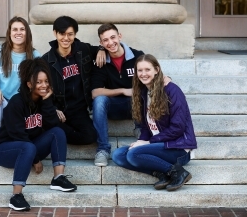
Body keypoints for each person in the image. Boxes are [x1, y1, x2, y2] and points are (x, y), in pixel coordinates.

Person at [0, 58, 77, 211]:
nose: (44, 85)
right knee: (28, 147)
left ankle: (58, 178)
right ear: (29, 84)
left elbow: (52, 125)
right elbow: (17, 134)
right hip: (5, 150)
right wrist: (36, 159)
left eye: (46, 81)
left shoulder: (44, 100)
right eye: (38, 82)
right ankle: (16, 196)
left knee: (58, 132)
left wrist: (47, 102)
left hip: (28, 147)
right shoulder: (17, 103)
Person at [112, 54, 197, 191]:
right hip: (158, 145)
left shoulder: (172, 91)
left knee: (133, 154)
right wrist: (141, 140)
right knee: (118, 155)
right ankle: (163, 173)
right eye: (140, 70)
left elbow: (178, 128)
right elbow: (146, 126)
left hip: (178, 149)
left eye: (147, 70)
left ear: (156, 70)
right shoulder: (145, 91)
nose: (143, 74)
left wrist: (149, 142)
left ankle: (178, 172)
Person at [0, 16, 41, 165]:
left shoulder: (35, 56)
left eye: (22, 29)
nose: (18, 33)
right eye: (15, 29)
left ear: (27, 33)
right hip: (2, 102)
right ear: (9, 32)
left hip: (22, 107)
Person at [41, 16, 106, 146]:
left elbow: (99, 48)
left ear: (75, 34)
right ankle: (57, 129)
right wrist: (53, 108)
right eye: (62, 34)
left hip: (79, 110)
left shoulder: (82, 49)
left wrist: (101, 50)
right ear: (55, 33)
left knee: (90, 136)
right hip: (59, 109)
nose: (66, 38)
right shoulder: (46, 60)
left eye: (70, 34)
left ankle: (58, 131)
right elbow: (41, 89)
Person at [91, 23, 144, 166]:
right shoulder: (100, 62)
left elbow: (152, 77)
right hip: (114, 106)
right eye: (105, 40)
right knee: (99, 100)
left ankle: (142, 132)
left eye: (113, 37)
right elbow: (95, 92)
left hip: (136, 106)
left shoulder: (138, 56)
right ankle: (103, 149)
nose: (110, 43)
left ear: (119, 36)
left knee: (143, 91)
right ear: (101, 43)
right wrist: (122, 91)